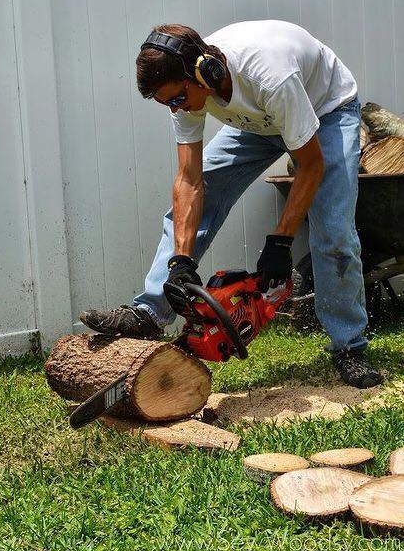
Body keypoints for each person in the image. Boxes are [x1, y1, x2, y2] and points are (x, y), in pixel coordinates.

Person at [80, 20, 383, 389]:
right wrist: (181, 260)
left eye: (177, 99)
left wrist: (281, 241)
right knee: (205, 189)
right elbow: (190, 180)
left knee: (334, 230)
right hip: (259, 121)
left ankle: (348, 346)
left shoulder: (270, 76)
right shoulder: (186, 90)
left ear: (203, 71)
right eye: (167, 104)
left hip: (325, 111)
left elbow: (311, 163)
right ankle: (149, 312)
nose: (175, 109)